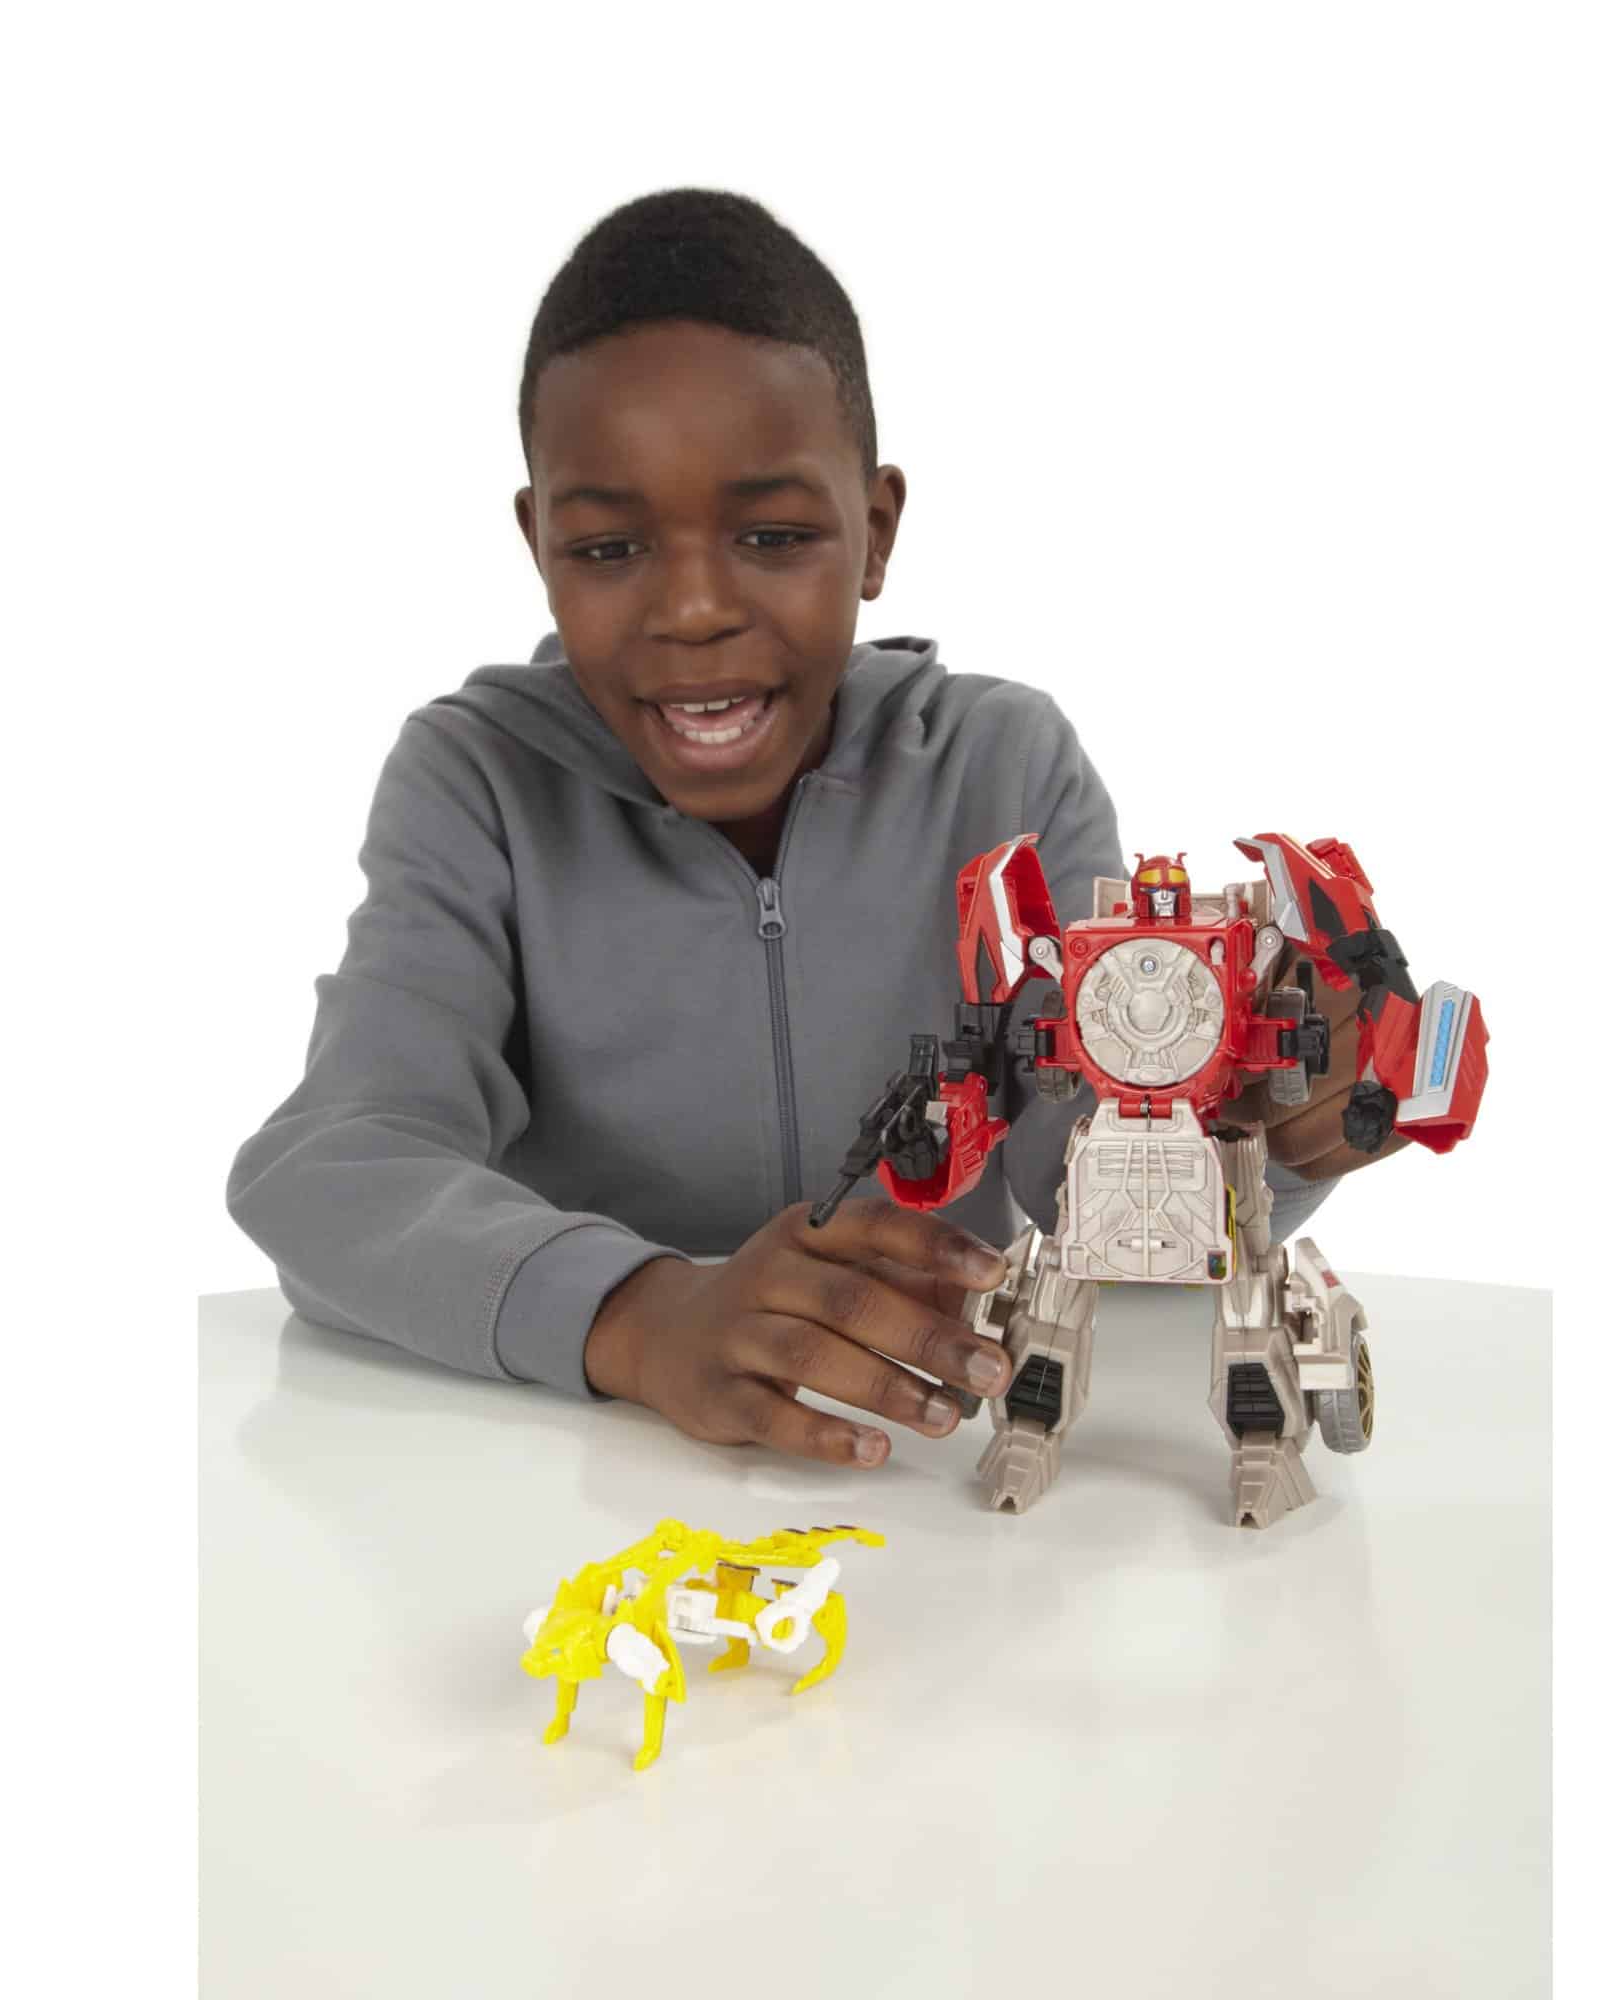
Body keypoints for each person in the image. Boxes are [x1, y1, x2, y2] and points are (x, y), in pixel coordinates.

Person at [228, 189, 1383, 1471]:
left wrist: (1274, 1129)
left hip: (928, 1460)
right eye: (606, 548)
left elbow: (1082, 1168)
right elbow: (330, 1170)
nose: (693, 608)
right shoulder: (478, 781)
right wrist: (638, 1314)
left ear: (873, 530)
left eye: (773, 535)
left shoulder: (1000, 765)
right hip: (585, 1459)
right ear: (537, 543)